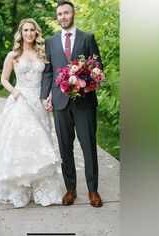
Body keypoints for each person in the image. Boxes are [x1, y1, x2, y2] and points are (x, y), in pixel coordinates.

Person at [0, 18, 62, 208]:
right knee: (22, 144)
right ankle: (21, 190)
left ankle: (42, 190)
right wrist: (14, 91)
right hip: (20, 101)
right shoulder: (13, 55)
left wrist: (48, 97)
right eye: (26, 30)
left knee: (40, 145)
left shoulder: (42, 53)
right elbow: (4, 79)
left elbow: (49, 77)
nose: (29, 33)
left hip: (38, 103)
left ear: (36, 32)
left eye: (32, 30)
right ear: (21, 33)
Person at [41, 1, 103, 207]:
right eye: (59, 14)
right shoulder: (50, 42)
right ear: (57, 17)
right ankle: (71, 189)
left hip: (84, 102)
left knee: (88, 146)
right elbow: (48, 72)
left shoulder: (87, 38)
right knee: (65, 147)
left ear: (73, 14)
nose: (63, 16)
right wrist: (45, 96)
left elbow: (97, 67)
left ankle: (93, 190)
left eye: (66, 12)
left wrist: (85, 79)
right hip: (60, 103)